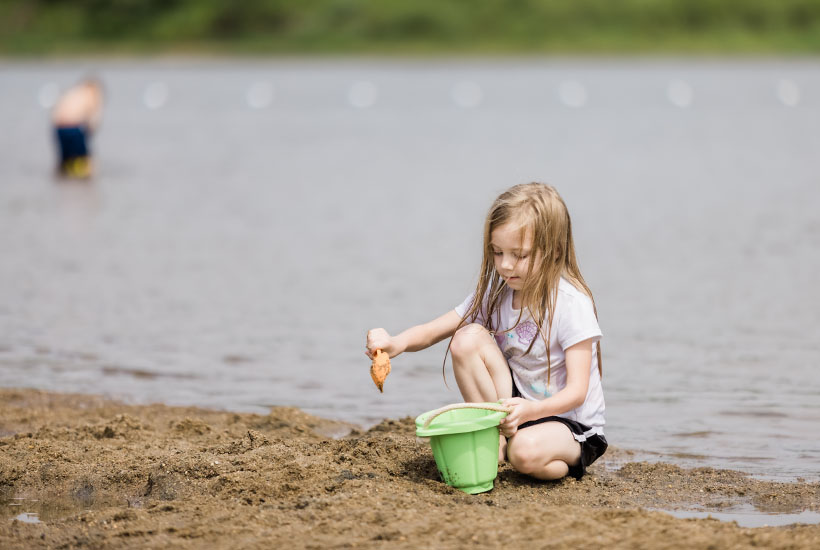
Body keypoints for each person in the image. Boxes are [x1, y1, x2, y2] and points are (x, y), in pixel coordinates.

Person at [366, 182, 607, 481]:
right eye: (497, 252)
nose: (505, 265)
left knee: (525, 454)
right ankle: (495, 438)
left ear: (554, 251)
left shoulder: (571, 305)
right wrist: (395, 343)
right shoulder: (498, 294)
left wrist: (532, 412)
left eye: (519, 255)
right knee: (465, 338)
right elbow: (434, 330)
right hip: (518, 408)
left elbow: (577, 392)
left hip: (570, 423)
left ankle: (558, 462)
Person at [52, 78, 104, 179]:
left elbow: (56, 112)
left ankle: (60, 180)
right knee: (84, 162)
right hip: (74, 127)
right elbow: (94, 120)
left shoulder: (72, 92)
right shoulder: (91, 93)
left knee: (65, 160)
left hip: (58, 127)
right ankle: (83, 183)